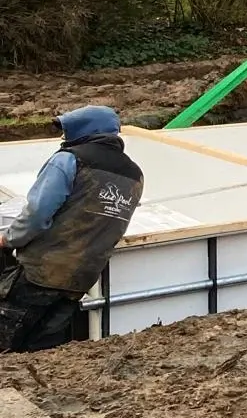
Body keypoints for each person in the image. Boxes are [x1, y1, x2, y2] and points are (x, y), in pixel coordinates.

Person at [0, 106, 143, 352]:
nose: (64, 138)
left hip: (42, 270)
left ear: (83, 131)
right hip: (82, 277)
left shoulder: (69, 159)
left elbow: (37, 213)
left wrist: (8, 239)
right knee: (44, 349)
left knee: (7, 339)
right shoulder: (134, 174)